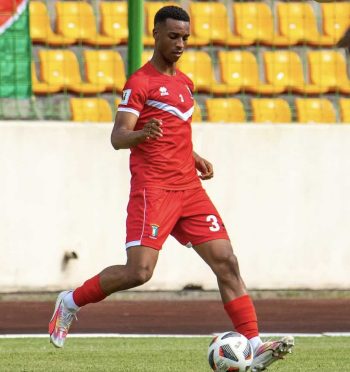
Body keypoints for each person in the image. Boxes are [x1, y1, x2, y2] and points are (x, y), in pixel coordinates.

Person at [49, 6, 294, 371]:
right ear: (156, 34)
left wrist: (193, 156)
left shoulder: (185, 84)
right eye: (174, 36)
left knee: (227, 261)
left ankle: (255, 344)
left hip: (189, 189)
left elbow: (173, 130)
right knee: (140, 272)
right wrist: (140, 134)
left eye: (185, 38)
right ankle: (69, 302)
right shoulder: (140, 82)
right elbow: (118, 137)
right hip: (155, 190)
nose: (180, 44)